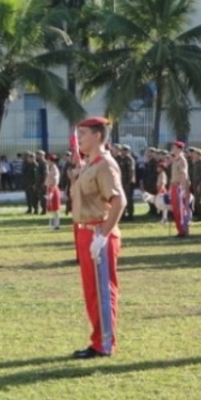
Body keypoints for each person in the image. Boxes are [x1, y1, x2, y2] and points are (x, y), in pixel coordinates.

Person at [70, 117, 127, 358]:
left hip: (98, 233)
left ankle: (104, 343)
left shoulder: (105, 164)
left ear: (97, 136)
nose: (79, 138)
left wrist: (102, 236)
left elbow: (119, 201)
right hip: (86, 231)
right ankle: (97, 339)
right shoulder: (89, 164)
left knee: (102, 290)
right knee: (91, 291)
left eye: (82, 133)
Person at [169, 141, 190, 237]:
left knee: (181, 209)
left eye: (174, 147)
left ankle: (183, 230)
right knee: (176, 209)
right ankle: (180, 230)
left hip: (179, 186)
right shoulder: (175, 159)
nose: (172, 149)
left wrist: (182, 188)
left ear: (179, 149)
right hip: (174, 185)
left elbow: (184, 175)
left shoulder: (182, 160)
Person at [46, 153, 62, 230]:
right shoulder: (50, 168)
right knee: (53, 208)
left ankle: (57, 224)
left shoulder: (54, 169)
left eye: (48, 160)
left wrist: (51, 191)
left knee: (55, 208)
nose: (47, 161)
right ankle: (55, 224)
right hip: (50, 188)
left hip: (53, 188)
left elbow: (55, 180)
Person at [35, 150, 48, 216]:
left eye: (38, 154)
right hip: (39, 183)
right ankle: (43, 209)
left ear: (42, 155)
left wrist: (44, 182)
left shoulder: (44, 163)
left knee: (43, 197)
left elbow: (46, 173)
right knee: (40, 196)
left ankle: (44, 210)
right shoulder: (39, 163)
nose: (36, 156)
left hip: (42, 183)